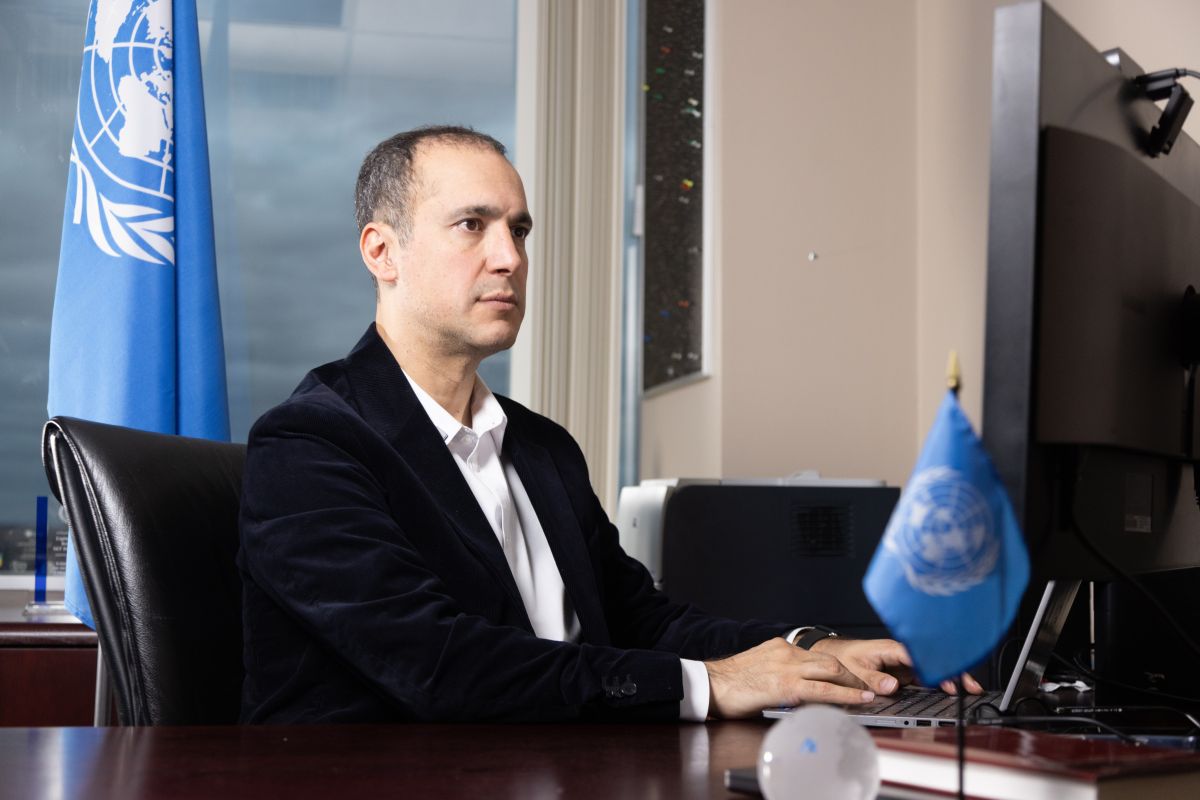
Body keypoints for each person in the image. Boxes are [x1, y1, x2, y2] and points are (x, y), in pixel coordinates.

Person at [238, 125, 981, 723]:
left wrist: (807, 651)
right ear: (382, 252)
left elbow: (640, 620)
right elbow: (438, 665)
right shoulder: (307, 446)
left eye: (519, 230)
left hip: (563, 769)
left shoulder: (541, 448)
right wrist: (710, 684)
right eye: (472, 225)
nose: (509, 257)